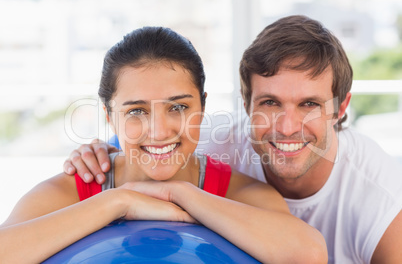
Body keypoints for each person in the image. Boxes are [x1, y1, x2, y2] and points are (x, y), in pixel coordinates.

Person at [65, 15, 402, 264]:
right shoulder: (217, 148)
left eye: (309, 105)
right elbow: (155, 146)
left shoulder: (380, 195)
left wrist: (177, 193)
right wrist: (101, 150)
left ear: (341, 107)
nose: (286, 127)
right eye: (269, 103)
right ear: (246, 105)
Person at [0, 26, 327, 263]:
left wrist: (180, 194)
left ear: (202, 108)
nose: (158, 132)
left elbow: (308, 255)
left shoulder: (242, 195)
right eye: (136, 111)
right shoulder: (72, 190)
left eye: (179, 107)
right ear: (110, 117)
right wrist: (117, 202)